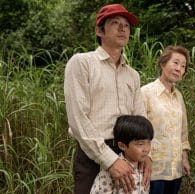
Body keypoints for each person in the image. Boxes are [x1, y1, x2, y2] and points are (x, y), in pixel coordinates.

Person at [64, 4, 151, 194]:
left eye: (126, 25)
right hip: (92, 154)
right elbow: (78, 118)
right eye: (115, 23)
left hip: (130, 151)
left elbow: (140, 118)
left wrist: (146, 155)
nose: (122, 28)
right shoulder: (81, 63)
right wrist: (110, 161)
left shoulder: (133, 75)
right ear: (99, 30)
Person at [141, 45, 191, 194]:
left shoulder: (179, 96)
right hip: (153, 168)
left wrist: (184, 158)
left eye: (183, 66)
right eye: (175, 63)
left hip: (175, 168)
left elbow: (183, 131)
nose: (179, 68)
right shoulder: (146, 92)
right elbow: (140, 131)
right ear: (163, 64)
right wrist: (145, 158)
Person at [90, 115, 154, 194]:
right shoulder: (111, 172)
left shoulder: (143, 168)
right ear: (122, 146)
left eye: (149, 143)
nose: (146, 149)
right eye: (140, 144)